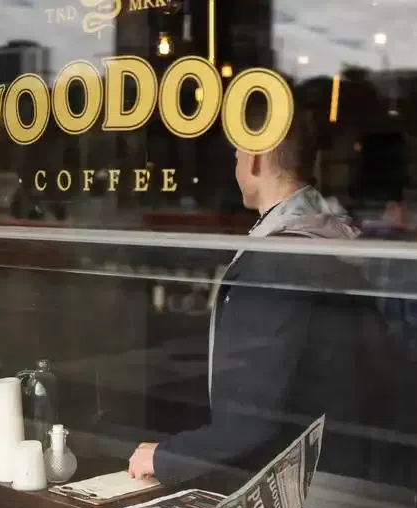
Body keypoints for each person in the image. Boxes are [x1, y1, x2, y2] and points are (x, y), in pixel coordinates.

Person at [128, 100, 394, 487]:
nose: (235, 164)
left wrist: (166, 456)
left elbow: (250, 420)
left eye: (236, 154)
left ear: (254, 157)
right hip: (348, 470)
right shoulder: (329, 239)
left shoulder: (277, 259)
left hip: (301, 483)